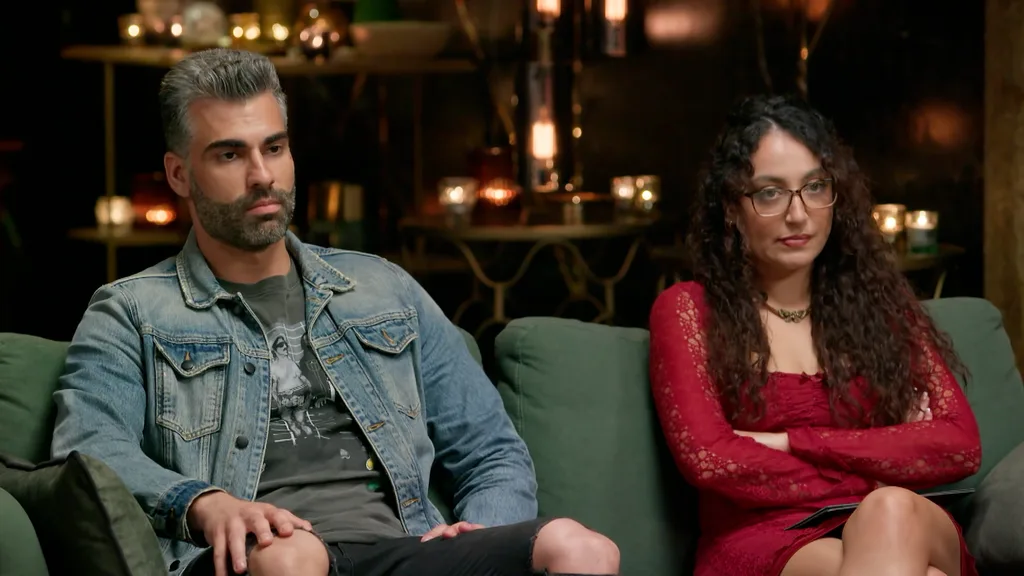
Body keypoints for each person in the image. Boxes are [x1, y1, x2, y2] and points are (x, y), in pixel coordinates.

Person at [50, 48, 619, 576]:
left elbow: (491, 449)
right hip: (262, 556)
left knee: (583, 548)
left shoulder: (382, 288)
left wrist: (479, 534)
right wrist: (204, 503)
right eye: (230, 154)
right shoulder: (131, 311)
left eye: (274, 148)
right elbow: (90, 450)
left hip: (402, 550)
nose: (262, 176)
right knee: (293, 558)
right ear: (179, 174)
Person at [648, 95, 981, 576]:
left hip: (898, 518)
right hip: (764, 536)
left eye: (815, 187)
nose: (799, 214)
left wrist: (788, 442)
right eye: (770, 193)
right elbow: (712, 460)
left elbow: (959, 445)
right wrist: (879, 460)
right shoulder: (688, 310)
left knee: (890, 509)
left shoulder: (882, 308)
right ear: (732, 209)